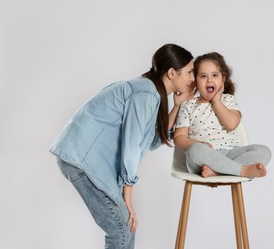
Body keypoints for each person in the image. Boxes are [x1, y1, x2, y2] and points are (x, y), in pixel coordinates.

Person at [49, 43, 196, 249]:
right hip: (82, 158)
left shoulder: (151, 93)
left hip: (81, 158)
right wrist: (128, 198)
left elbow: (151, 142)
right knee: (122, 229)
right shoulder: (145, 93)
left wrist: (178, 105)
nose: (193, 78)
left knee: (124, 230)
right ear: (172, 73)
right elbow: (132, 146)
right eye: (190, 72)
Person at [174, 52, 271, 178]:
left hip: (231, 153)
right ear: (195, 82)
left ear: (222, 79)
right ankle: (242, 170)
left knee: (264, 152)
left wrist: (217, 102)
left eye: (215, 75)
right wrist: (198, 144)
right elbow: (179, 137)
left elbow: (231, 125)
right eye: (203, 76)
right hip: (204, 158)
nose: (209, 80)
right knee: (195, 150)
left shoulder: (228, 100)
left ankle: (218, 171)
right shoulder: (188, 105)